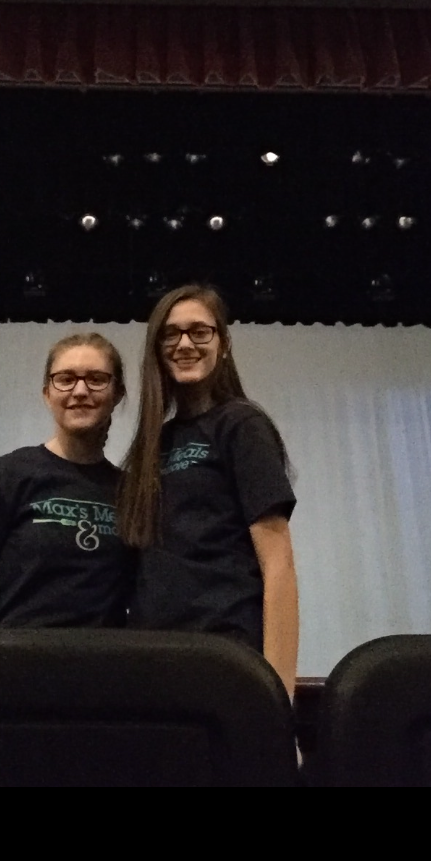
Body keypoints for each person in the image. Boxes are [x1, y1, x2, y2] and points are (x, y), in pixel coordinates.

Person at [117, 284, 299, 704]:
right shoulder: (155, 442)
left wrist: (278, 698)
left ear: (224, 343)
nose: (185, 344)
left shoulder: (242, 425)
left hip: (224, 655)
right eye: (171, 334)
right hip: (152, 657)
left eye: (200, 331)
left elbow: (279, 565)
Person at [0, 332, 134, 628]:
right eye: (66, 379)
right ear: (47, 393)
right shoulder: (7, 476)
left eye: (96, 379)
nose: (80, 390)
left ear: (117, 394)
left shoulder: (131, 492)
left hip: (106, 659)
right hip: (16, 657)